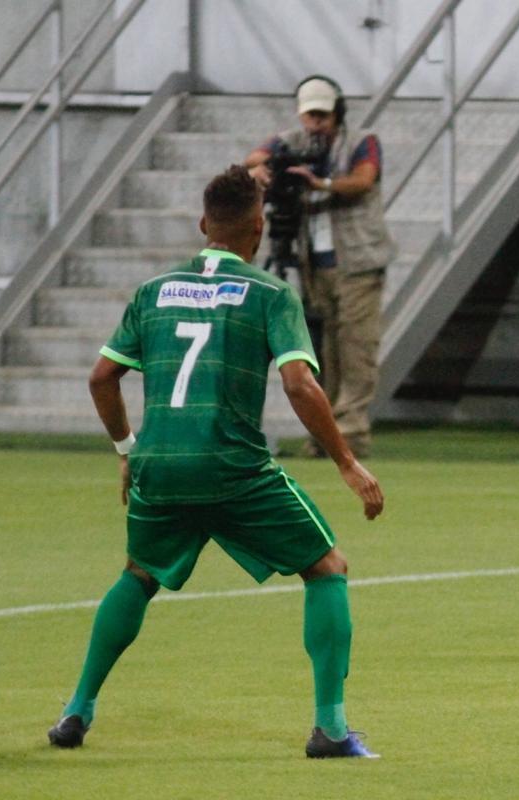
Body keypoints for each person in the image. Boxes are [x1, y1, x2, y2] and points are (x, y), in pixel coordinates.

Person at [47, 165, 385, 758]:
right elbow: (300, 385)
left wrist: (127, 450)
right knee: (326, 566)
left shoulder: (154, 291)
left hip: (160, 462)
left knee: (138, 575)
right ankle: (331, 729)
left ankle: (75, 713)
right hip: (232, 467)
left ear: (204, 224)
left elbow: (102, 377)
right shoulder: (270, 294)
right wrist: (347, 463)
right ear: (259, 228)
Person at [246, 74, 396, 459]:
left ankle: (350, 434)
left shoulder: (362, 141)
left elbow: (363, 180)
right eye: (309, 116)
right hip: (315, 264)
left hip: (358, 260)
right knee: (321, 352)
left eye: (322, 116)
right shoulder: (292, 142)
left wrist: (321, 182)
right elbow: (256, 158)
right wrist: (261, 171)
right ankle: (326, 434)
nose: (315, 124)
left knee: (355, 349)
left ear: (337, 114)